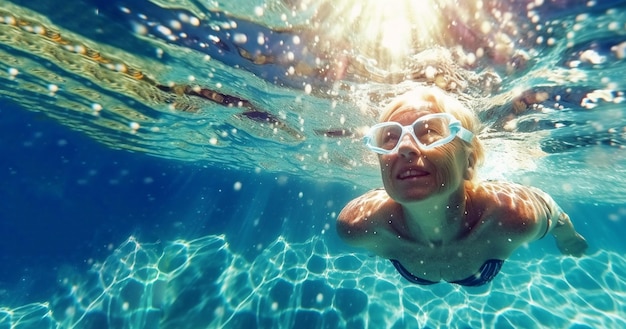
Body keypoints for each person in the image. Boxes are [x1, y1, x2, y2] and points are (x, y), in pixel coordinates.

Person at [337, 86, 588, 287]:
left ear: (468, 162)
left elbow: (554, 213)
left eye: (429, 131)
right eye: (389, 136)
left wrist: (568, 237)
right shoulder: (360, 226)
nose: (403, 146)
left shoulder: (512, 216)